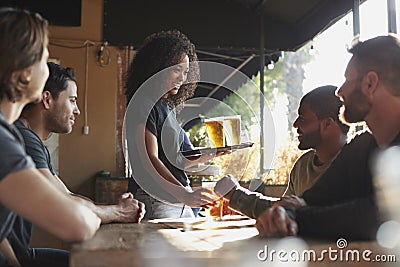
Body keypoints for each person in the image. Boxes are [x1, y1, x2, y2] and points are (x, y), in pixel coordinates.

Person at [256, 35, 400, 240]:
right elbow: (307, 202)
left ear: (370, 83)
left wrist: (299, 219)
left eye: (348, 80)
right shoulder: (359, 148)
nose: (340, 91)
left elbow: (378, 215)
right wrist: (284, 215)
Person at [7, 62, 145, 266]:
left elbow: (68, 196)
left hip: (20, 253)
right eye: (72, 100)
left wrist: (115, 210)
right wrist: (118, 212)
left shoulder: (32, 141)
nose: (77, 111)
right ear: (47, 99)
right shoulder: (24, 138)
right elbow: (63, 204)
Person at [0, 7, 100, 266]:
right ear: (25, 72)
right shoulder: (4, 141)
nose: (47, 72)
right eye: (44, 61)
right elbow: (77, 226)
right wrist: (95, 215)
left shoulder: (8, 132)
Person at [125, 30, 226, 219]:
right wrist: (184, 194)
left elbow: (179, 160)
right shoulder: (143, 103)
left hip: (174, 200)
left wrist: (215, 152)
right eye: (176, 70)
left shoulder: (165, 106)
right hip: (157, 199)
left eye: (186, 72)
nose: (182, 78)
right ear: (157, 67)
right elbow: (150, 160)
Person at [214, 85, 349, 218]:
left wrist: (236, 195)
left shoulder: (353, 166)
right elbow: (284, 213)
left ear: (327, 124)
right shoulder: (302, 165)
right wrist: (238, 206)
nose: (295, 124)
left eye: (302, 118)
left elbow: (300, 214)